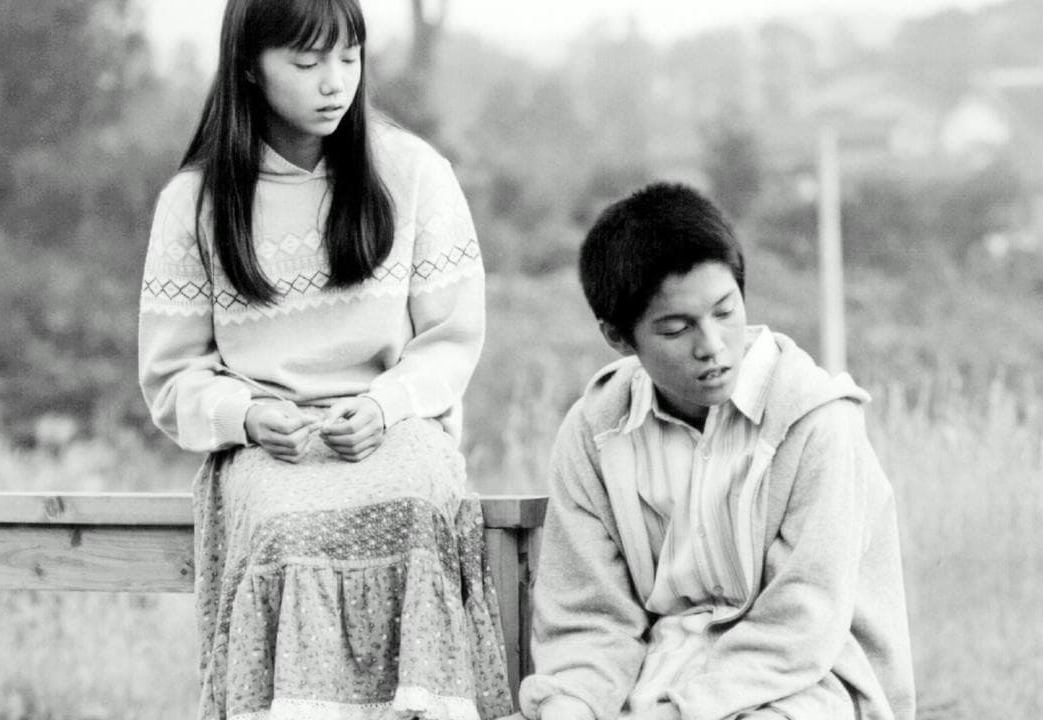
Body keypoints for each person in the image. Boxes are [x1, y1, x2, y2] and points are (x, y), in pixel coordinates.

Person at [137, 1, 511, 717]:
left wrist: (384, 407)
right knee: (284, 525)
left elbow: (451, 340)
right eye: (307, 62)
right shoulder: (195, 203)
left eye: (349, 57)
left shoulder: (413, 174)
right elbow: (171, 374)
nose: (334, 82)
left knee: (417, 504)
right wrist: (247, 416)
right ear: (251, 67)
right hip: (269, 447)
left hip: (395, 428)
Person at [515, 183, 915, 720]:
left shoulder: (817, 422)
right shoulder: (594, 432)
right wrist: (574, 704)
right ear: (619, 337)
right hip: (651, 678)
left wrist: (680, 714)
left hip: (807, 684)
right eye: (676, 329)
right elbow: (590, 618)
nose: (712, 346)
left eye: (725, 312)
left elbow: (799, 624)